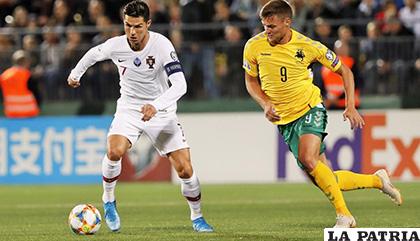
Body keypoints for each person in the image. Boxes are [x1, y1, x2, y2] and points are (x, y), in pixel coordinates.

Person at [242, 0, 402, 228]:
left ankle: (344, 216)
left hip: (310, 108)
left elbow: (344, 70)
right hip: (284, 121)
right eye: (264, 26)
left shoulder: (308, 46)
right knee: (325, 178)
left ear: (287, 22)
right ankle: (377, 180)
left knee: (308, 159)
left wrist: (350, 105)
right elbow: (250, 80)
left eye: (272, 26)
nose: (267, 31)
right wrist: (265, 103)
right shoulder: (253, 46)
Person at [67, 0, 213, 233]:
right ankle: (108, 200)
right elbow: (94, 54)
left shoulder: (162, 45)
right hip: (129, 108)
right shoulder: (116, 45)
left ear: (148, 24)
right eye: (128, 26)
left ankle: (197, 217)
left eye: (138, 27)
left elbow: (180, 85)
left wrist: (156, 105)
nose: (132, 32)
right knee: (114, 151)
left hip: (161, 111)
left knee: (185, 169)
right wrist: (76, 74)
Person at [0, 49, 41, 118]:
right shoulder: (28, 75)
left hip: (11, 113)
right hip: (29, 113)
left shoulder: (4, 76)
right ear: (27, 62)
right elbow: (36, 93)